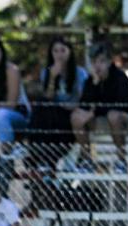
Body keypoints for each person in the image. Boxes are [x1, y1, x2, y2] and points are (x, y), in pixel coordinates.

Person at [71, 41, 128, 170]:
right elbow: (84, 105)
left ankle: (121, 160)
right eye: (94, 62)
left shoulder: (120, 77)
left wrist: (94, 111)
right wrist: (95, 85)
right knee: (76, 116)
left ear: (109, 62)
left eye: (101, 61)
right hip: (102, 121)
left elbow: (122, 105)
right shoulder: (90, 81)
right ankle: (86, 159)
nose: (98, 66)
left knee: (113, 116)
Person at [27, 36, 88, 168]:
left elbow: (84, 100)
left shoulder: (80, 73)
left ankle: (46, 159)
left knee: (44, 109)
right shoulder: (47, 73)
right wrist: (53, 78)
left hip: (71, 114)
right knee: (41, 104)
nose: (59, 54)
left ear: (69, 52)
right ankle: (36, 156)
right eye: (55, 51)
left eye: (63, 50)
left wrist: (67, 106)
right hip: (53, 116)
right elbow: (48, 97)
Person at [0, 37, 31, 151]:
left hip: (18, 116)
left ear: (2, 54)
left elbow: (11, 106)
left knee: (2, 115)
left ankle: (6, 158)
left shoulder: (11, 70)